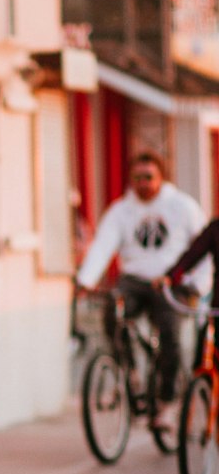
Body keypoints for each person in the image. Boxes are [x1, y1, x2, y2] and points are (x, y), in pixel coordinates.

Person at [75, 150, 211, 435]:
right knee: (113, 307)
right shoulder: (121, 210)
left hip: (171, 282)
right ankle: (127, 373)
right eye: (137, 178)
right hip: (134, 280)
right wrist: (85, 280)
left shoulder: (182, 206)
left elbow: (202, 249)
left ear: (161, 177)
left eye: (149, 177)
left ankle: (168, 403)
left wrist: (199, 286)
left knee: (170, 335)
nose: (143, 183)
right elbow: (103, 245)